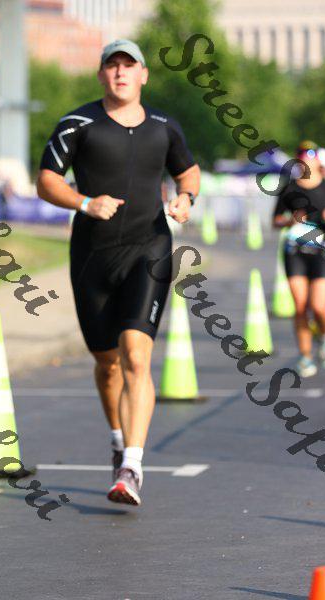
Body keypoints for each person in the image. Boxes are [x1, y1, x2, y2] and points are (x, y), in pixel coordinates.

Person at [37, 39, 200, 505]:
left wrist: (186, 198)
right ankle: (117, 438)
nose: (121, 72)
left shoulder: (164, 127)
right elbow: (46, 180)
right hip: (93, 255)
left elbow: (188, 172)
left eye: (130, 65)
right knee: (107, 362)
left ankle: (132, 464)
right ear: (101, 75)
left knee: (136, 354)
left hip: (150, 250)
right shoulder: (77, 123)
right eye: (113, 65)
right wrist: (85, 202)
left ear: (143, 75)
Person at [273, 140, 325, 377]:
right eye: (301, 154)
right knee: (300, 306)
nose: (305, 157)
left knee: (319, 306)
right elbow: (275, 220)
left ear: (317, 160)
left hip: (322, 251)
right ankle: (305, 357)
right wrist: (290, 220)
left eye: (310, 153)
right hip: (295, 250)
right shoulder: (289, 188)